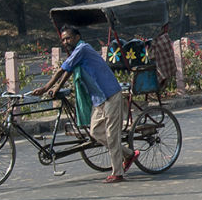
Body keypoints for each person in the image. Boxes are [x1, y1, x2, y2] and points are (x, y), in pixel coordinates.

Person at [36, 25, 135, 183]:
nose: (66, 42)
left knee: (111, 135)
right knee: (95, 132)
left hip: (110, 93)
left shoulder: (83, 49)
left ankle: (118, 173)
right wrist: (55, 88)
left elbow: (63, 70)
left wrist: (47, 88)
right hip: (98, 98)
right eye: (63, 40)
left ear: (77, 37)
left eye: (68, 38)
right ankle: (128, 154)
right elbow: (68, 70)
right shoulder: (77, 54)